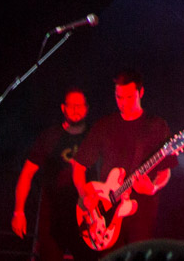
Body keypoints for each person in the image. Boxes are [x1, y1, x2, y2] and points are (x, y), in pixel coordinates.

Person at [73, 70, 175, 246]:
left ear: (140, 93)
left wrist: (153, 187)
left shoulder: (156, 126)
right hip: (103, 215)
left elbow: (165, 171)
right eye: (119, 97)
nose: (123, 103)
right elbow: (78, 166)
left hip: (141, 217)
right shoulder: (104, 125)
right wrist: (84, 195)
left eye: (129, 97)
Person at [14, 89, 95, 261]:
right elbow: (27, 174)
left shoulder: (95, 136)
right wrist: (19, 212)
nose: (75, 110)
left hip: (86, 216)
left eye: (79, 106)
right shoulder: (50, 136)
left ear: (87, 108)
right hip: (53, 217)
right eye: (71, 106)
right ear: (63, 108)